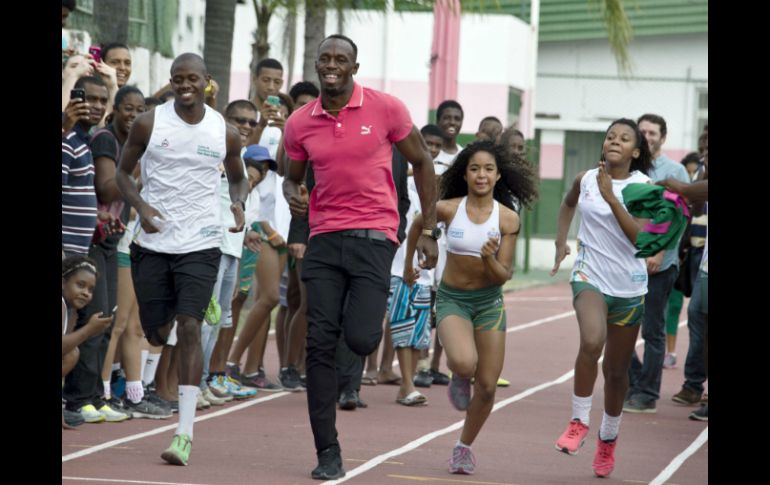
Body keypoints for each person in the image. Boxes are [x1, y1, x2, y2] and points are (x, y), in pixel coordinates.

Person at [282, 34, 439, 480]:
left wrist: (428, 229)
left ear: (354, 66)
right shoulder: (300, 122)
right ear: (317, 65)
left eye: (340, 59)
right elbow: (292, 177)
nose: (331, 65)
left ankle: (350, 334)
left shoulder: (386, 108)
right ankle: (327, 451)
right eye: (325, 59)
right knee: (319, 344)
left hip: (374, 238)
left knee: (362, 338)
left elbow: (422, 162)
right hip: (324, 239)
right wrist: (294, 194)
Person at [115, 53, 249, 466]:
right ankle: (180, 304)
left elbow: (238, 177)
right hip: (154, 241)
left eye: (192, 78)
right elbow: (122, 173)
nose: (184, 85)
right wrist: (140, 206)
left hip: (202, 242)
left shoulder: (223, 131)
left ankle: (184, 433)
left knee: (190, 327)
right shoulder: (148, 123)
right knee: (157, 332)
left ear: (207, 81)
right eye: (177, 79)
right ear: (171, 82)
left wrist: (238, 203)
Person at [404, 140, 536, 474]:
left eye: (488, 169)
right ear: (464, 174)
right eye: (475, 169)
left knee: (488, 386)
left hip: (489, 303)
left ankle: (463, 448)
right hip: (454, 300)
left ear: (498, 175)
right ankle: (460, 377)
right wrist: (408, 266)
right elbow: (418, 224)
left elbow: (503, 275)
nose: (481, 175)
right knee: (464, 362)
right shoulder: (449, 209)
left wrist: (489, 257)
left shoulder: (507, 219)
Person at [550, 118, 653, 478]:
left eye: (624, 139)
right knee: (592, 341)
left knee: (616, 373)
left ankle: (608, 439)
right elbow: (567, 204)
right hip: (589, 276)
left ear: (635, 152)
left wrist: (611, 197)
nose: (615, 142)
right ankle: (578, 421)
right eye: (610, 136)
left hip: (629, 287)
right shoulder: (586, 179)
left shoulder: (644, 188)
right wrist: (561, 241)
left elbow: (640, 239)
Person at [623, 113, 690, 414]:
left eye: (653, 133)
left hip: (658, 266)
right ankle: (635, 381)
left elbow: (680, 216)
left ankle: (647, 393)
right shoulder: (628, 168)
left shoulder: (675, 171)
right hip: (626, 263)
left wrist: (660, 251)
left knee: (652, 330)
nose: (648, 137)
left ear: (663, 137)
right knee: (617, 326)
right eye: (643, 132)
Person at [62, 256, 112, 428]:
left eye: (90, 289)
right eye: (80, 285)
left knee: (71, 353)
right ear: (63, 282)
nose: (86, 293)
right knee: (70, 354)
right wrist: (89, 330)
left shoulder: (68, 308)